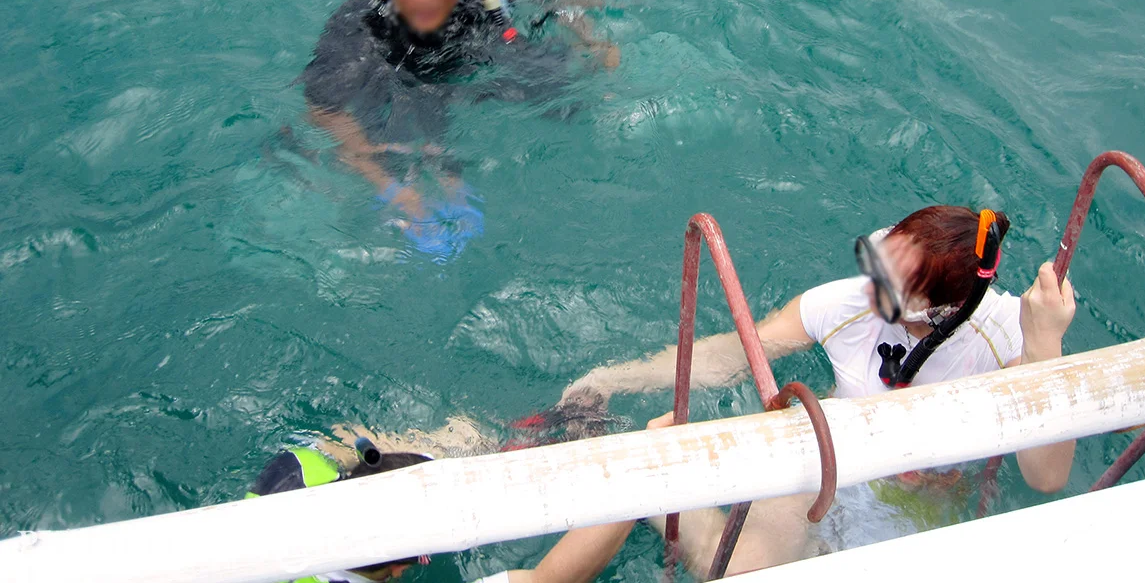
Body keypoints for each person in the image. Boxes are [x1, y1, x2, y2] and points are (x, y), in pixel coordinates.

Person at [559, 206, 1078, 574]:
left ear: (942, 314)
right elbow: (736, 353)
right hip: (822, 460)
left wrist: (1044, 345)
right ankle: (657, 465)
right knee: (741, 570)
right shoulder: (848, 303)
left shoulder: (1007, 334)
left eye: (887, 288)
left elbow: (1047, 476)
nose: (866, 289)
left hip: (910, 498)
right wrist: (611, 378)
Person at [300, 0, 617, 261]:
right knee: (393, 144)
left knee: (568, 96)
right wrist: (389, 187)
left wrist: (589, 37)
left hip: (476, 58)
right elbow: (323, 108)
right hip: (400, 76)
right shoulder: (359, 25)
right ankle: (436, 183)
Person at [246, 417, 634, 583]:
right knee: (462, 437)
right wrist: (639, 477)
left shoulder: (293, 471)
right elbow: (549, 580)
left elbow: (344, 443)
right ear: (401, 568)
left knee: (460, 439)